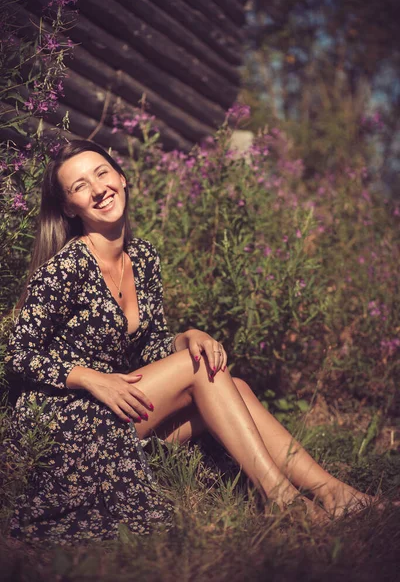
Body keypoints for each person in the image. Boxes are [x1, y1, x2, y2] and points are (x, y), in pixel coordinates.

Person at [5, 139, 375, 545]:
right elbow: (18, 355)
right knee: (197, 368)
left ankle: (333, 493)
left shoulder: (143, 257)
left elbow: (149, 347)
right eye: (79, 186)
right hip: (64, 424)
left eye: (102, 173)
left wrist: (186, 337)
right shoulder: (65, 268)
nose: (97, 189)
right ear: (69, 207)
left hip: (115, 409)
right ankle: (285, 502)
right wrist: (91, 379)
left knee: (232, 384)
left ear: (122, 178)